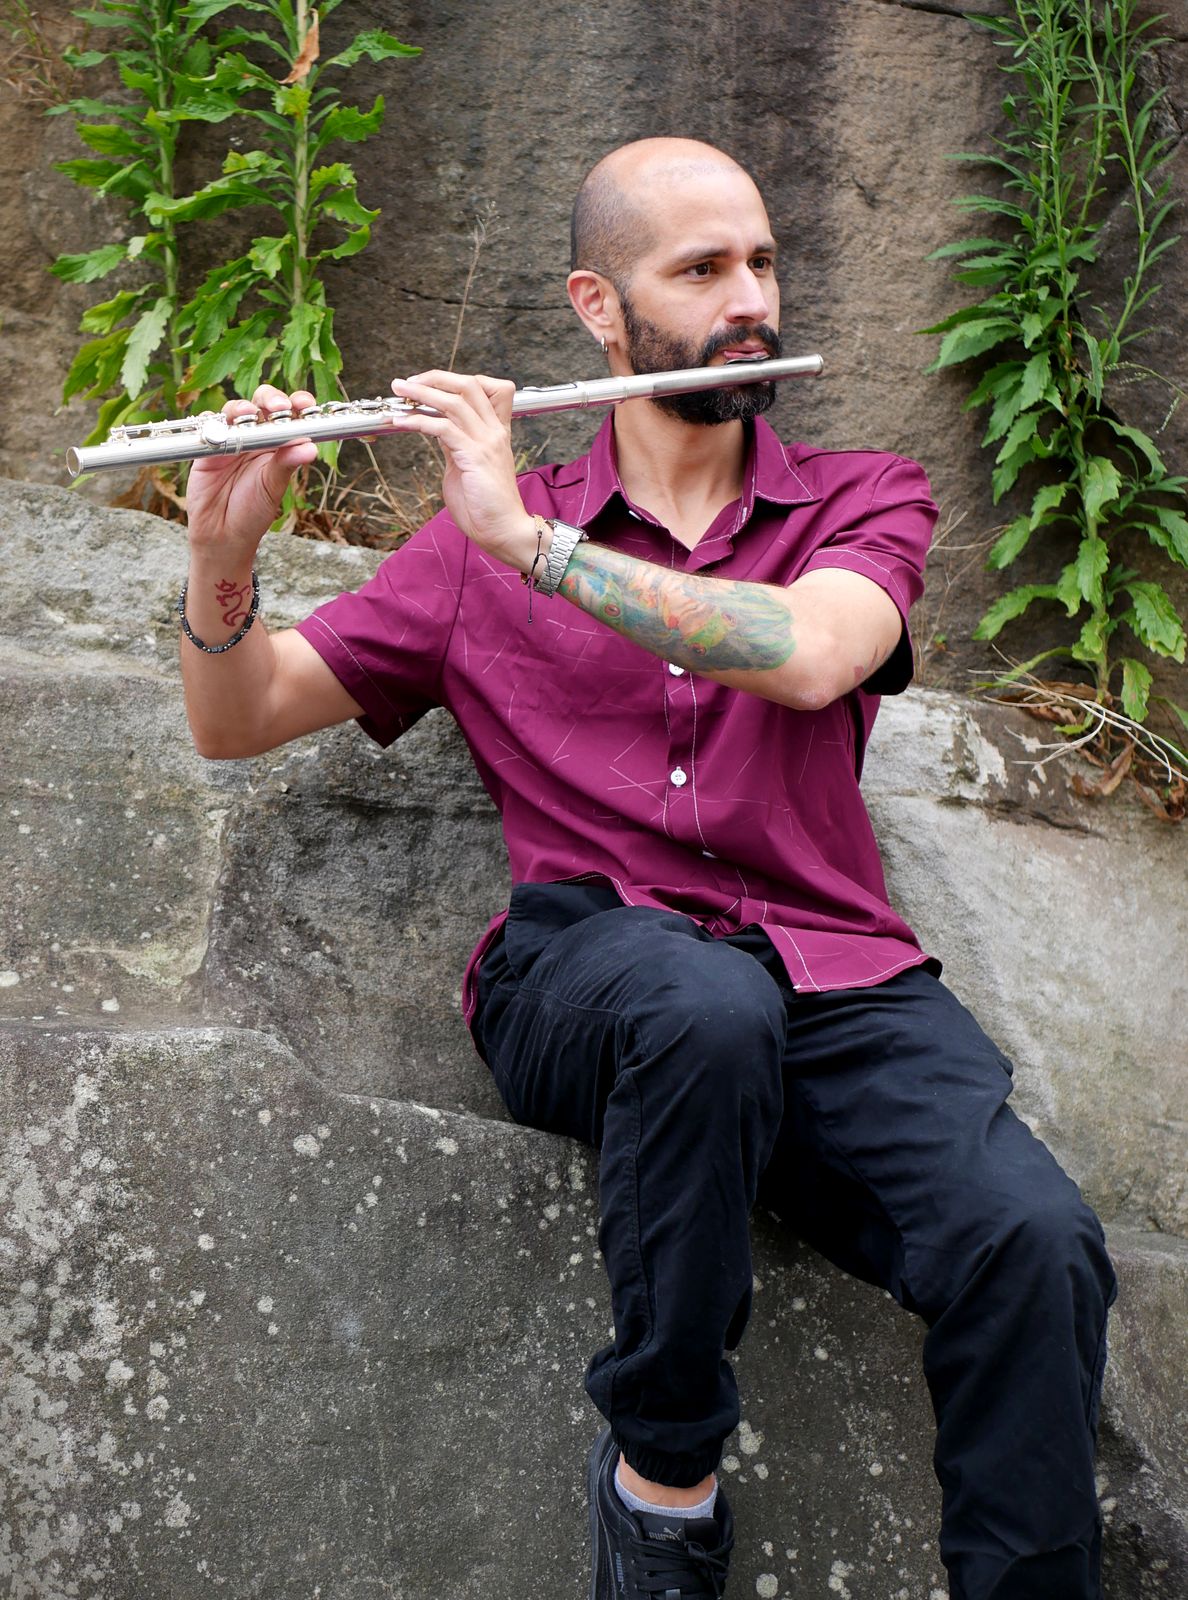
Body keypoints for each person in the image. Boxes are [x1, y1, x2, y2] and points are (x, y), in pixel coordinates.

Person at [179, 138, 1117, 1600]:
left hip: (837, 983)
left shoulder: (860, 498)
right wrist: (221, 553)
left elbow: (809, 656)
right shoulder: (467, 554)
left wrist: (535, 546)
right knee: (699, 1006)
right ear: (599, 309)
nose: (753, 301)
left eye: (763, 262)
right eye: (702, 270)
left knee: (1037, 1241)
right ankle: (663, 1483)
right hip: (589, 971)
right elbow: (236, 718)